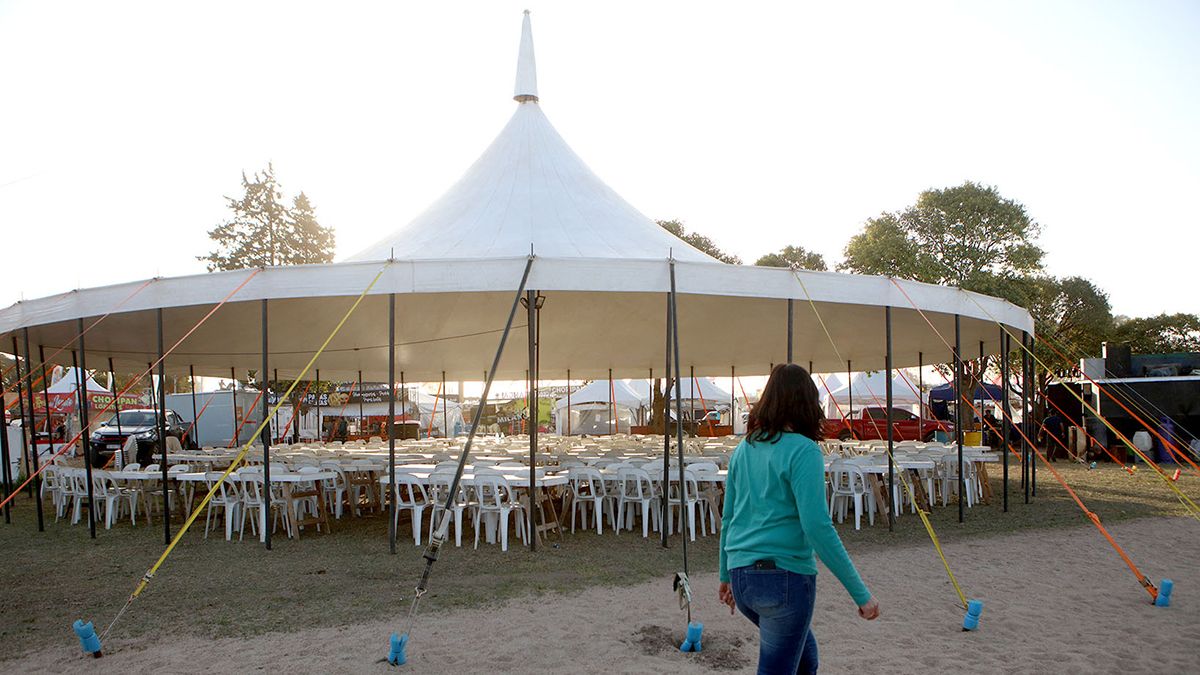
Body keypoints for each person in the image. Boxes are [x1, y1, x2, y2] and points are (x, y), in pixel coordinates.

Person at [718, 363, 879, 674]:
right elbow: (817, 527)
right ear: (808, 403)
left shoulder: (744, 449)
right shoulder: (804, 451)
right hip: (784, 581)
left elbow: (728, 518)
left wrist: (725, 575)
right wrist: (862, 595)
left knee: (805, 657)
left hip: (743, 579)